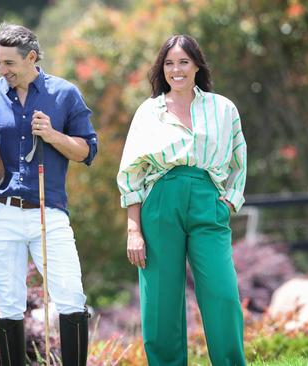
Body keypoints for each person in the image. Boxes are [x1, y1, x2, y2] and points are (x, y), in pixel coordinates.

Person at [0, 23, 98, 366]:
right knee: (8, 304)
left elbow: (86, 151)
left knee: (70, 296)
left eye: (9, 63)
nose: (2, 70)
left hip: (49, 212)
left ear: (32, 58)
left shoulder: (65, 94)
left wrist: (53, 135)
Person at [117, 34, 247, 366]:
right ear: (162, 69)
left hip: (208, 202)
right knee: (161, 301)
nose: (176, 70)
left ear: (197, 65)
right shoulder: (149, 112)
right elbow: (131, 172)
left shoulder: (223, 108)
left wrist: (228, 202)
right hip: (160, 203)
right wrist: (134, 230)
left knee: (223, 294)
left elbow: (238, 159)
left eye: (183, 62)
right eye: (169, 63)